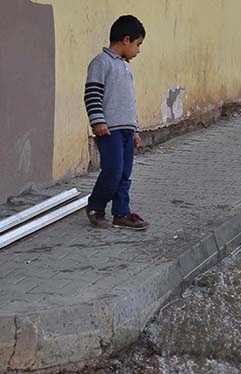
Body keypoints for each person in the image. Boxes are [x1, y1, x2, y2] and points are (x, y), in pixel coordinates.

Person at [84, 15, 149, 230]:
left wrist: (135, 129)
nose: (138, 51)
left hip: (127, 131)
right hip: (109, 130)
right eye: (138, 45)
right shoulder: (100, 63)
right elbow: (92, 94)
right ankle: (95, 206)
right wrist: (98, 121)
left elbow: (129, 101)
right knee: (113, 170)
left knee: (124, 174)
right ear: (126, 40)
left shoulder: (125, 67)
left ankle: (121, 213)